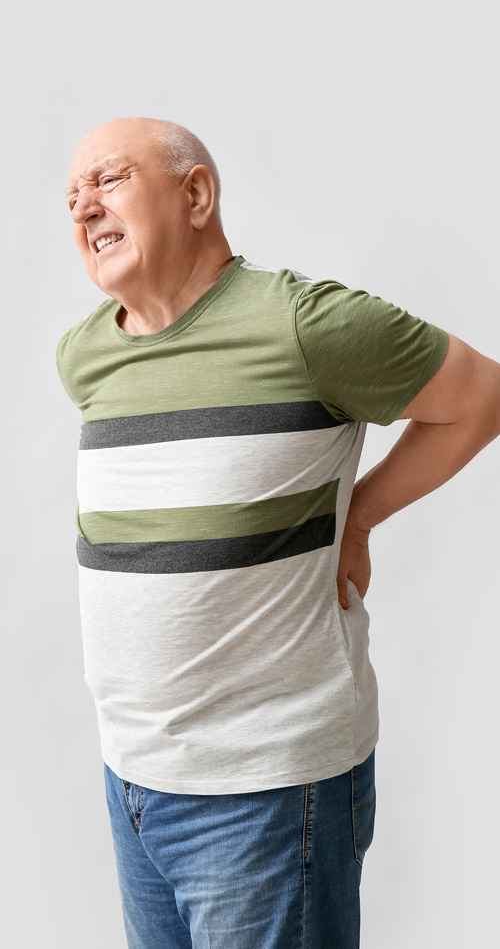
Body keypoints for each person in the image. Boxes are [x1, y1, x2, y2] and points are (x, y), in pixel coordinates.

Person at [57, 117, 500, 949]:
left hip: (264, 790)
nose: (82, 206)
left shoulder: (307, 325)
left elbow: (481, 397)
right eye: (72, 194)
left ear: (196, 194)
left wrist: (359, 511)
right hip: (133, 784)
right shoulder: (86, 356)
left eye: (107, 180)